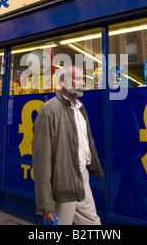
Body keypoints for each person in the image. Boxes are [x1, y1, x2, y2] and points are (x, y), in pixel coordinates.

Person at [32, 65, 104, 225]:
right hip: (61, 183)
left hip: (81, 178)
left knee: (93, 223)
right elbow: (41, 160)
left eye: (83, 79)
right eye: (77, 79)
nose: (82, 83)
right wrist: (45, 203)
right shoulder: (49, 110)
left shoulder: (80, 109)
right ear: (63, 81)